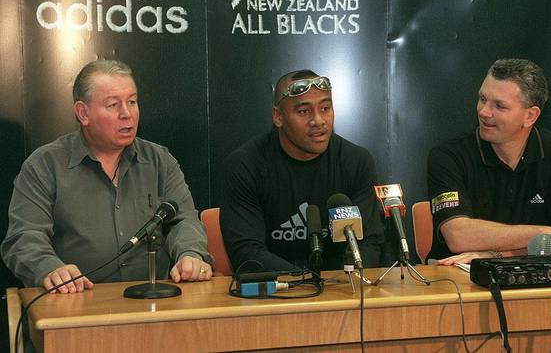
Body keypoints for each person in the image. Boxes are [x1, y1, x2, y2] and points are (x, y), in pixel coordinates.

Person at [1, 60, 213, 293]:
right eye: (113, 105)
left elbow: (184, 220)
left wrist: (190, 255)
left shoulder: (159, 161)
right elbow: (24, 237)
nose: (127, 114)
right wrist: (50, 269)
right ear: (83, 113)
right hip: (76, 304)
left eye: (132, 102)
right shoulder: (45, 165)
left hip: (154, 302)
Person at [220, 69, 385, 272]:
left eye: (325, 108)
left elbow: (368, 243)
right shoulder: (245, 166)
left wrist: (335, 285)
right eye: (304, 112)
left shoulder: (356, 161)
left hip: (341, 287)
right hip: (275, 291)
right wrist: (307, 282)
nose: (319, 121)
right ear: (278, 117)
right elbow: (247, 253)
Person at [427, 58, 551, 265]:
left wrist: (498, 255)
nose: (484, 112)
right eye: (482, 99)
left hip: (538, 284)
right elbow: (458, 236)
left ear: (530, 116)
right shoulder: (448, 156)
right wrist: (542, 234)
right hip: (458, 284)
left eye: (499, 106)